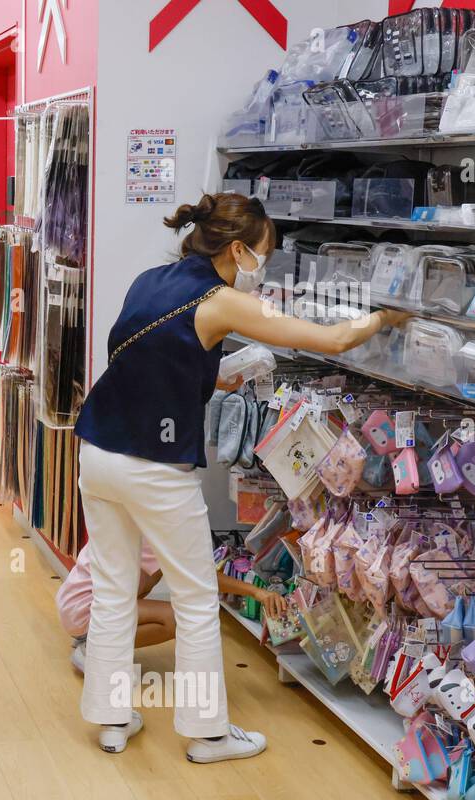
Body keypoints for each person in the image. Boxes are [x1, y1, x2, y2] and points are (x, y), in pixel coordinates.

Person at [72, 191, 411, 762]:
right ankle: (208, 734)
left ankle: (110, 720)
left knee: (112, 588)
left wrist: (214, 377)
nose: (266, 267)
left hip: (98, 452)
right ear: (236, 249)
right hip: (154, 469)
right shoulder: (223, 300)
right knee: (199, 596)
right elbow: (331, 339)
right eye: (265, 254)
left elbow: (148, 358)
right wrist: (388, 316)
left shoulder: (150, 279)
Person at [58, 537, 289, 683]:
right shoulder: (153, 530)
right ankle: (97, 649)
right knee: (175, 620)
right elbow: (197, 576)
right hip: (85, 607)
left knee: (141, 584)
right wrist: (255, 592)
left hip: (77, 602)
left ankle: (93, 638)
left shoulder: (132, 512)